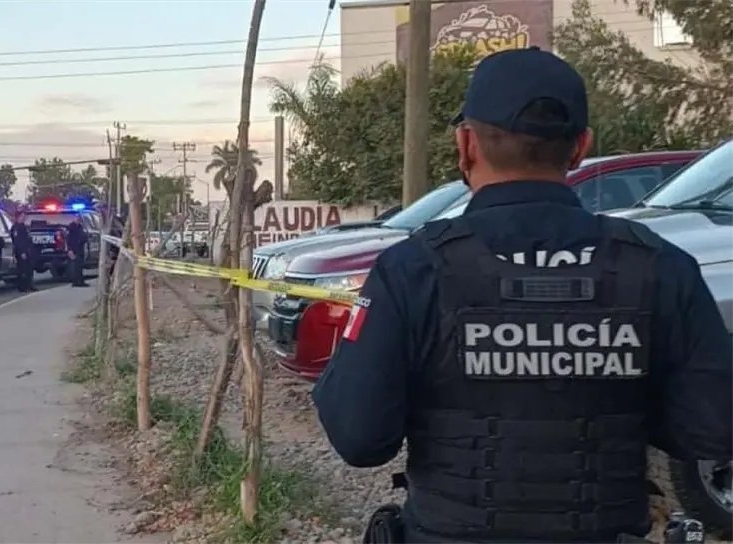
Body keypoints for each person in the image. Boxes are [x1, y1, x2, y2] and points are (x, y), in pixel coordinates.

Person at [312, 47, 733, 544]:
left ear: (466, 145)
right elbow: (713, 427)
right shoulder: (661, 266)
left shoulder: (412, 269)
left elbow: (360, 438)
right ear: (580, 147)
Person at [9, 210, 37, 292]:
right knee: (23, 269)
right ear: (18, 217)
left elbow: (27, 239)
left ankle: (30, 284)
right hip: (21, 252)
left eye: (24, 216)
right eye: (22, 216)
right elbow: (17, 241)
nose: (24, 218)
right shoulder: (16, 227)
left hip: (28, 250)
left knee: (29, 268)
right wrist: (21, 252)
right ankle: (22, 286)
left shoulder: (24, 226)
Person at [65, 218, 89, 287]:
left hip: (80, 249)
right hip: (74, 249)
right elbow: (68, 240)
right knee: (76, 266)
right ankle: (76, 282)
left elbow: (83, 237)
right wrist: (69, 250)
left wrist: (85, 238)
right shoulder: (71, 229)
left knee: (80, 266)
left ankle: (80, 281)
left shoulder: (80, 228)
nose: (79, 221)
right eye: (78, 220)